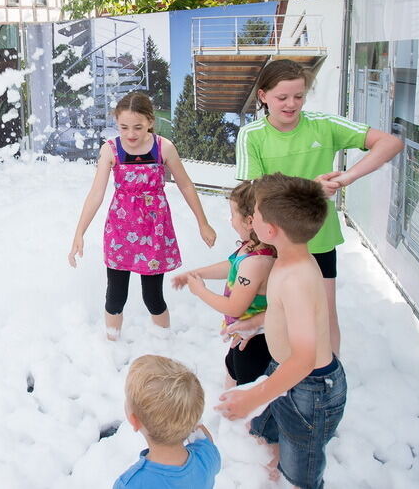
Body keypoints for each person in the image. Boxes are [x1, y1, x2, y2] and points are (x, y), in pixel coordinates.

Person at [235, 59, 403, 353]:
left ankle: (329, 377)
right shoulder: (251, 136)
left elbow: (389, 143)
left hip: (319, 239)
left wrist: (346, 177)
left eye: (298, 96)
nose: (291, 104)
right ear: (263, 96)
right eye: (282, 97)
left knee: (324, 316)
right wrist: (309, 188)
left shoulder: (325, 125)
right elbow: (255, 195)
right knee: (279, 314)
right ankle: (286, 376)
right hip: (274, 242)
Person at [217, 173, 346, 489]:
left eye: (256, 213)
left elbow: (303, 360)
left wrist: (253, 398)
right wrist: (254, 323)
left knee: (300, 468)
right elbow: (282, 312)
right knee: (264, 428)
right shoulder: (288, 258)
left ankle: (292, 475)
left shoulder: (296, 279)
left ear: (270, 230)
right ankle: (272, 454)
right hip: (285, 371)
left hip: (310, 389)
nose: (252, 217)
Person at [69, 91, 216, 339]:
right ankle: (112, 343)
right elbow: (96, 194)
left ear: (150, 121)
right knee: (115, 296)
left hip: (153, 230)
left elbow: (186, 185)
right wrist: (79, 232)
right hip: (121, 230)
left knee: (153, 297)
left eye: (137, 127)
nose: (130, 134)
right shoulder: (111, 150)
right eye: (123, 127)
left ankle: (164, 343)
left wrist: (203, 223)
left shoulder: (163, 147)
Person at [171, 180, 275, 386]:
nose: (230, 220)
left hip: (256, 341)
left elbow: (235, 307)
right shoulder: (251, 247)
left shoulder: (257, 262)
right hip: (242, 333)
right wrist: (196, 273)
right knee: (232, 377)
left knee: (247, 400)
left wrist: (200, 291)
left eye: (233, 214)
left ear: (249, 221)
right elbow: (231, 266)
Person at [115, 354, 220, 489]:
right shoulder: (206, 457)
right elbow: (205, 440)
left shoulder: (130, 484)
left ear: (134, 421)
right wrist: (187, 412)